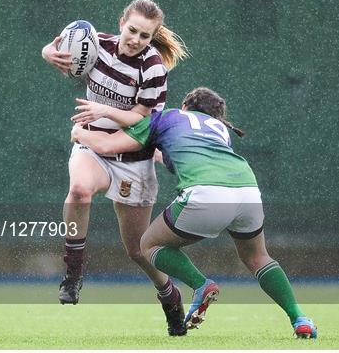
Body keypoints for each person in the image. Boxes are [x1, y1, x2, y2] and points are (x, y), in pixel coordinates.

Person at [70, 87, 318, 338]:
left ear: (185, 106)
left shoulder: (167, 116)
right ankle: (299, 318)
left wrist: (80, 133)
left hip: (206, 194)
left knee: (148, 245)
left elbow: (106, 145)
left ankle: (201, 285)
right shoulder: (220, 129)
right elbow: (188, 152)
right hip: (248, 191)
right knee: (258, 258)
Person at [41, 0, 188, 336]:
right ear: (122, 22)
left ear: (153, 38)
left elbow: (141, 119)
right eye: (132, 30)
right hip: (92, 144)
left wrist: (103, 111)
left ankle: (170, 296)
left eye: (145, 36)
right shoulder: (97, 45)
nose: (136, 39)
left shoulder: (152, 68)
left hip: (132, 158)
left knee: (138, 250)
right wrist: (49, 52)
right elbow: (55, 45)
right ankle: (73, 273)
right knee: (79, 190)